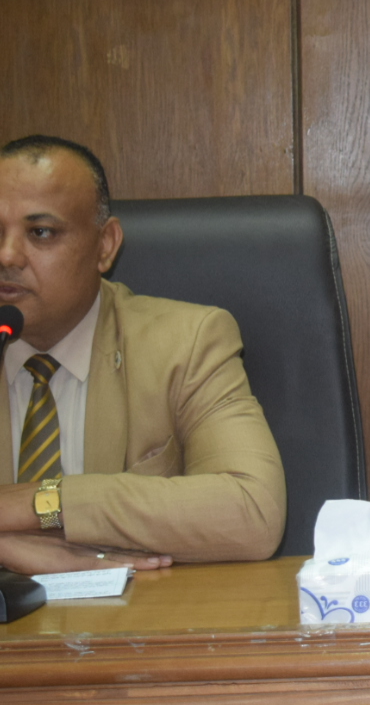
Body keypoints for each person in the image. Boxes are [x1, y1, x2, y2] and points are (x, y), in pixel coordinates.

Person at [0, 135, 286, 575]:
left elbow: (253, 511)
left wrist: (44, 504)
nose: (7, 255)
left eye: (41, 233)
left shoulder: (186, 343)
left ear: (105, 245)